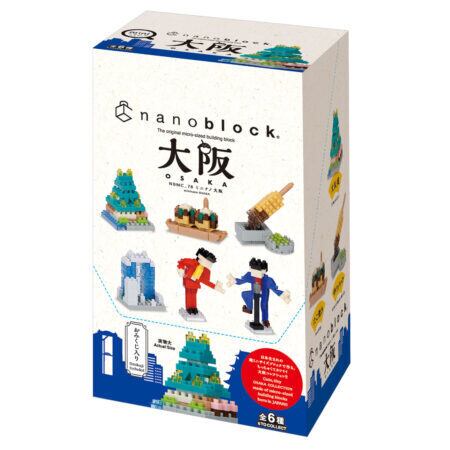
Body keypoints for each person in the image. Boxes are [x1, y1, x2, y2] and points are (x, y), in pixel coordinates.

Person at [227, 258, 291, 329]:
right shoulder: (250, 275)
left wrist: (283, 295)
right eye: (254, 271)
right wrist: (234, 280)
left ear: (264, 271)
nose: (256, 275)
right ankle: (249, 308)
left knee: (263, 305)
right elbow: (241, 281)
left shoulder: (267, 280)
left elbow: (275, 289)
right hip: (254, 292)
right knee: (244, 294)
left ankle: (265, 320)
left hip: (264, 293)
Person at [178, 247, 224, 315]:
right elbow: (182, 261)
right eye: (208, 262)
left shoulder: (206, 271)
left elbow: (206, 281)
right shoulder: (192, 262)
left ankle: (194, 308)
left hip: (195, 285)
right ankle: (189, 308)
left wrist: (215, 286)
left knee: (194, 295)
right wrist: (181, 269)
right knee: (189, 295)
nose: (209, 265)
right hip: (188, 282)